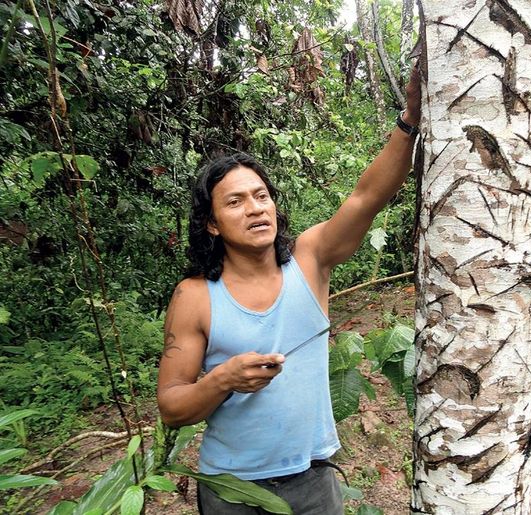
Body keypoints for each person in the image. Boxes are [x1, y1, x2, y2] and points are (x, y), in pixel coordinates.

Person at [157, 65, 421, 514]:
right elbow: (172, 405)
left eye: (261, 196)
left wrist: (411, 116)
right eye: (235, 202)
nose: (255, 209)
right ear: (211, 224)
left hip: (312, 478)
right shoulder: (195, 295)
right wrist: (223, 379)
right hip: (229, 488)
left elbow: (366, 197)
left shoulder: (310, 259)